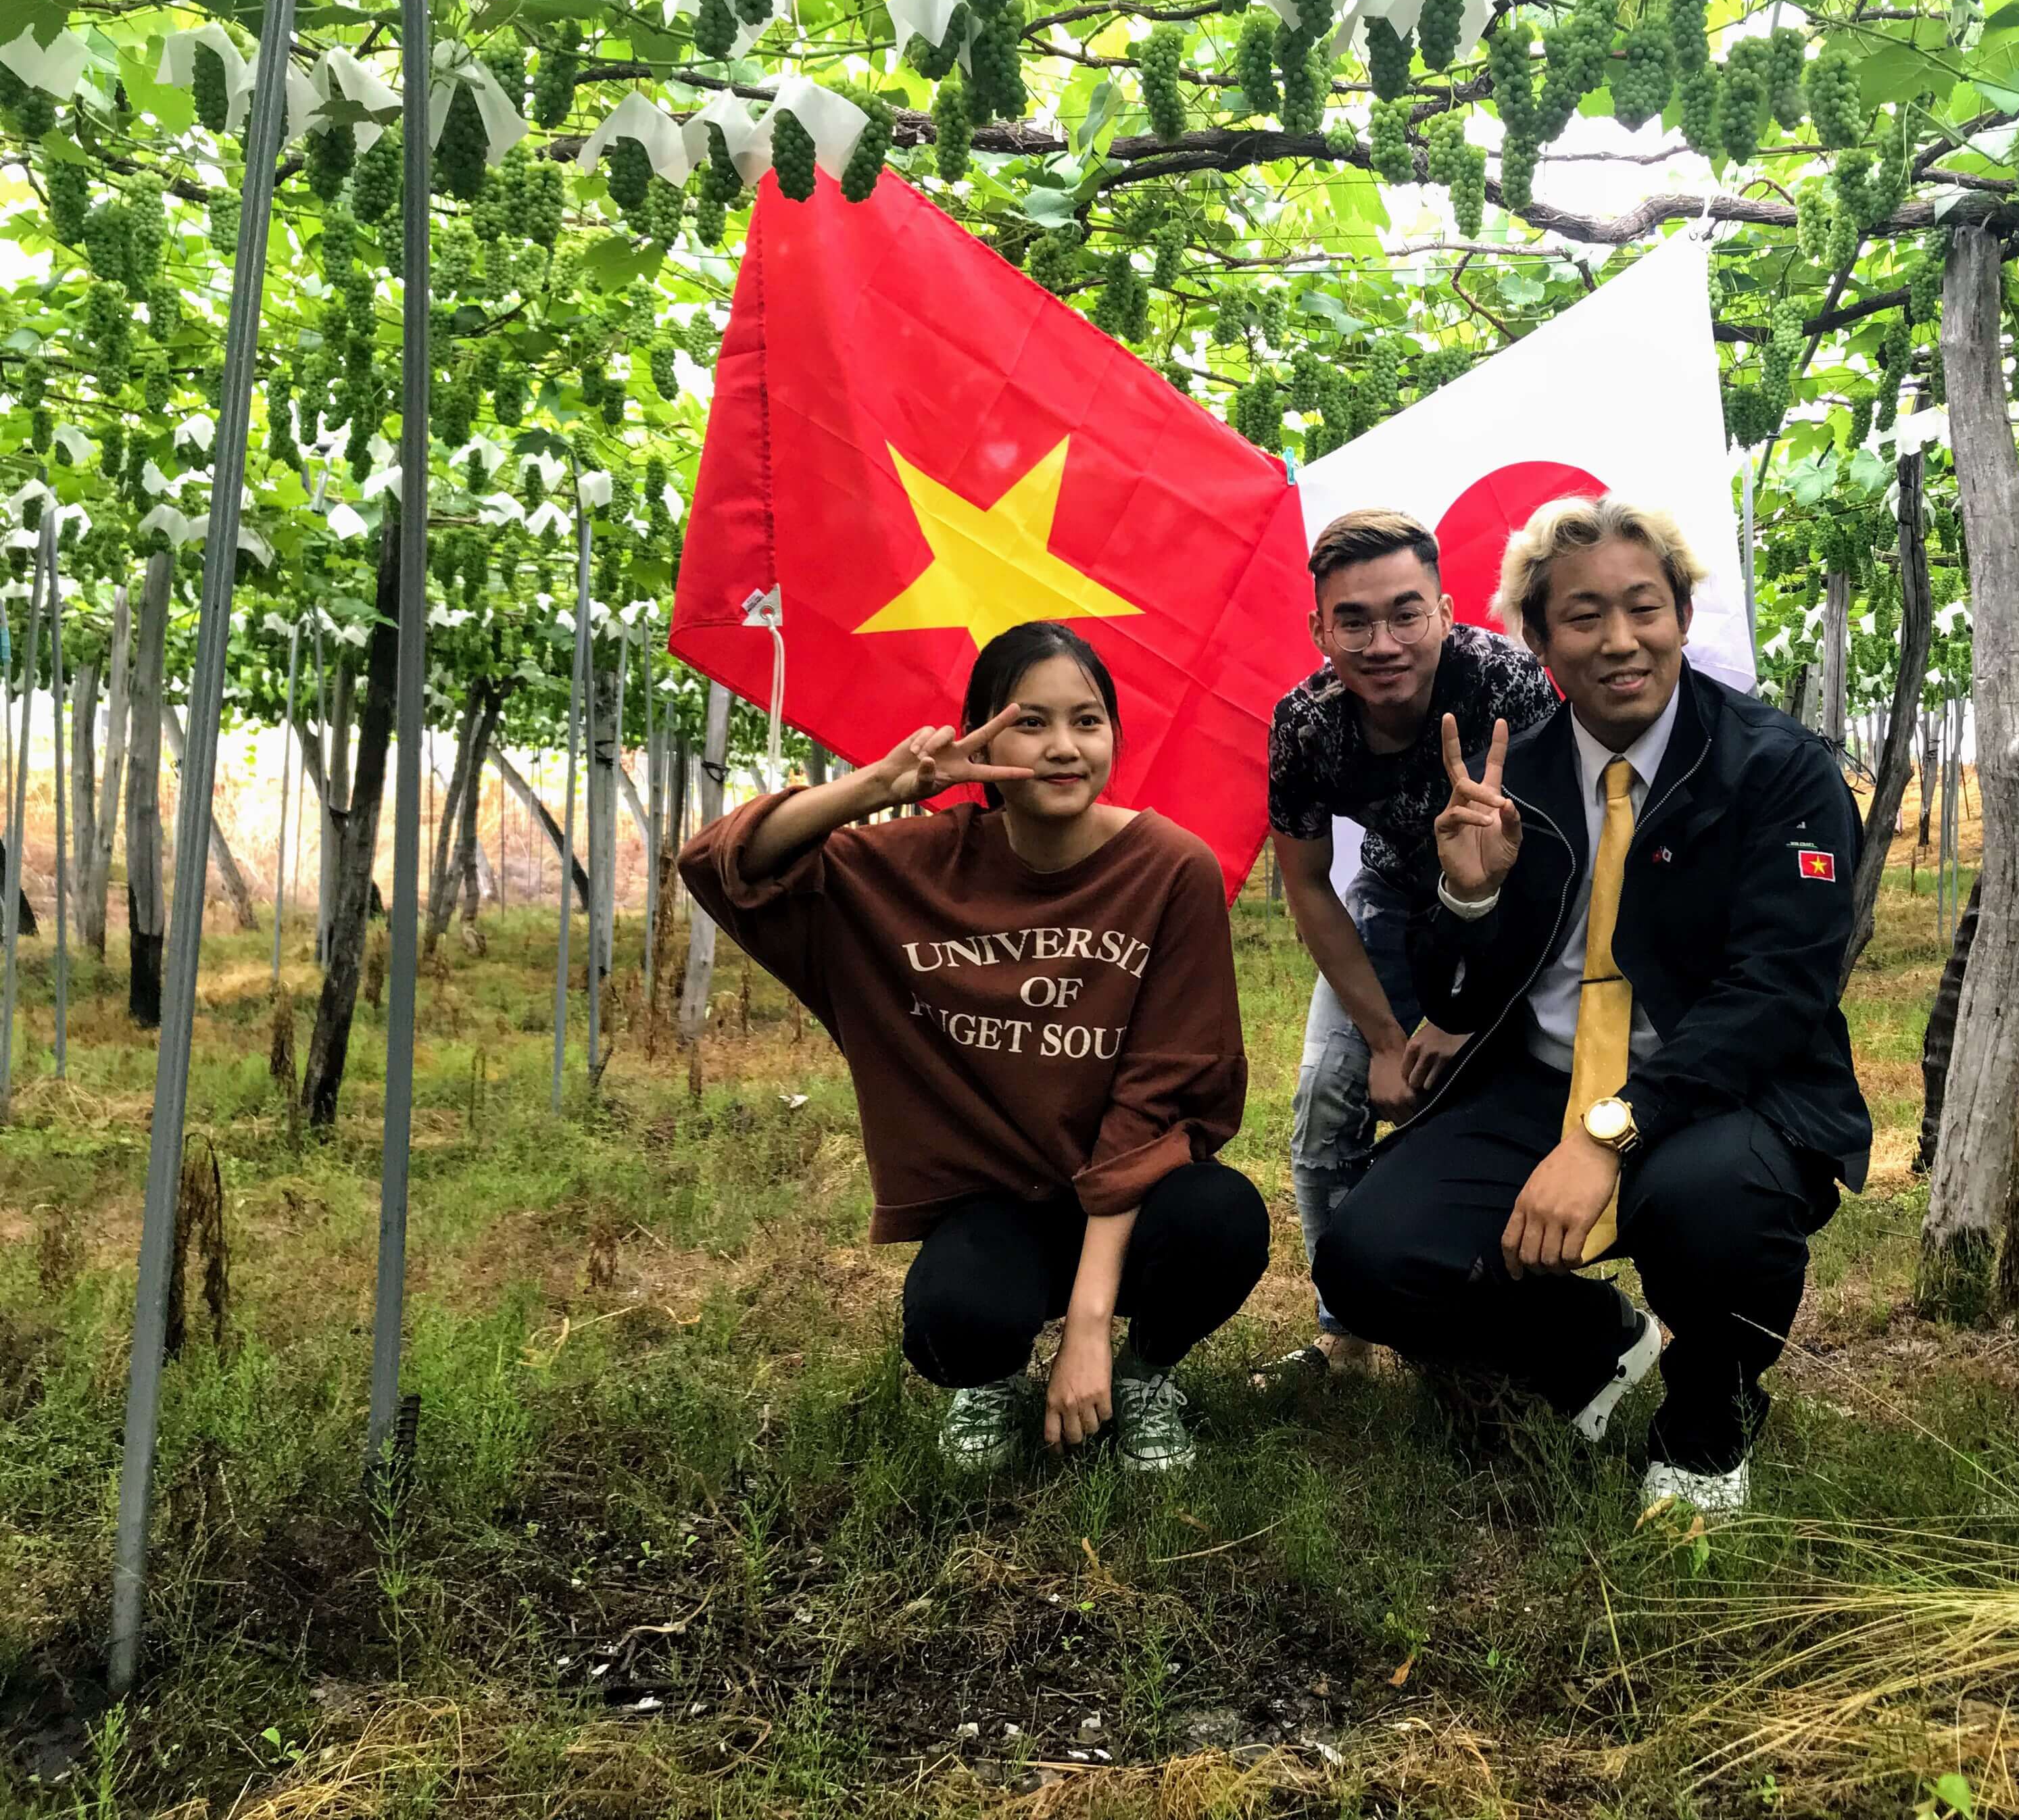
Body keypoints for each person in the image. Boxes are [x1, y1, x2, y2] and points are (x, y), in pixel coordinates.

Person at [1314, 497, 1872, 1514]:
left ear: (1682, 615)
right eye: (1584, 616)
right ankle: (1595, 1346)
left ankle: (1710, 1419)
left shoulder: (1775, 768)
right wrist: (1468, 896)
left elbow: (1777, 992)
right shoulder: (1510, 775)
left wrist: (1609, 1134)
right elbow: (1458, 997)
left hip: (1718, 1091)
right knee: (1366, 1259)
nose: (1620, 642)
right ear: (1537, 638)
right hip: (1540, 1081)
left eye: (1644, 608)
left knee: (1714, 1210)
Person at [679, 621, 1269, 1476]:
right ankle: (988, 1380)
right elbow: (724, 865)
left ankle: (1145, 1375)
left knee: (1224, 1220)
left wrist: (1091, 1328)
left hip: (1135, 1201)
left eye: (1088, 720)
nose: (1063, 748)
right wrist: (879, 785)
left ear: (1114, 735)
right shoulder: (918, 865)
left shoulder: (1171, 868)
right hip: (994, 1201)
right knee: (955, 1324)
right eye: (1031, 722)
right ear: (981, 734)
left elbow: (1158, 1099)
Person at [1264, 509, 1561, 1385]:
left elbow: (1560, 873)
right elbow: (1310, 884)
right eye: (1352, 619)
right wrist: (1391, 1038)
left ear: (1445, 609)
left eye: (1406, 613)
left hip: (1521, 904)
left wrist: (1461, 1021)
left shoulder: (1509, 686)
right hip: (1394, 897)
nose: (1382, 640)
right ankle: (1346, 1331)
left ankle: (1486, 1314)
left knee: (1490, 1105)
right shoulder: (1305, 724)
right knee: (1328, 1100)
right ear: (1319, 629)